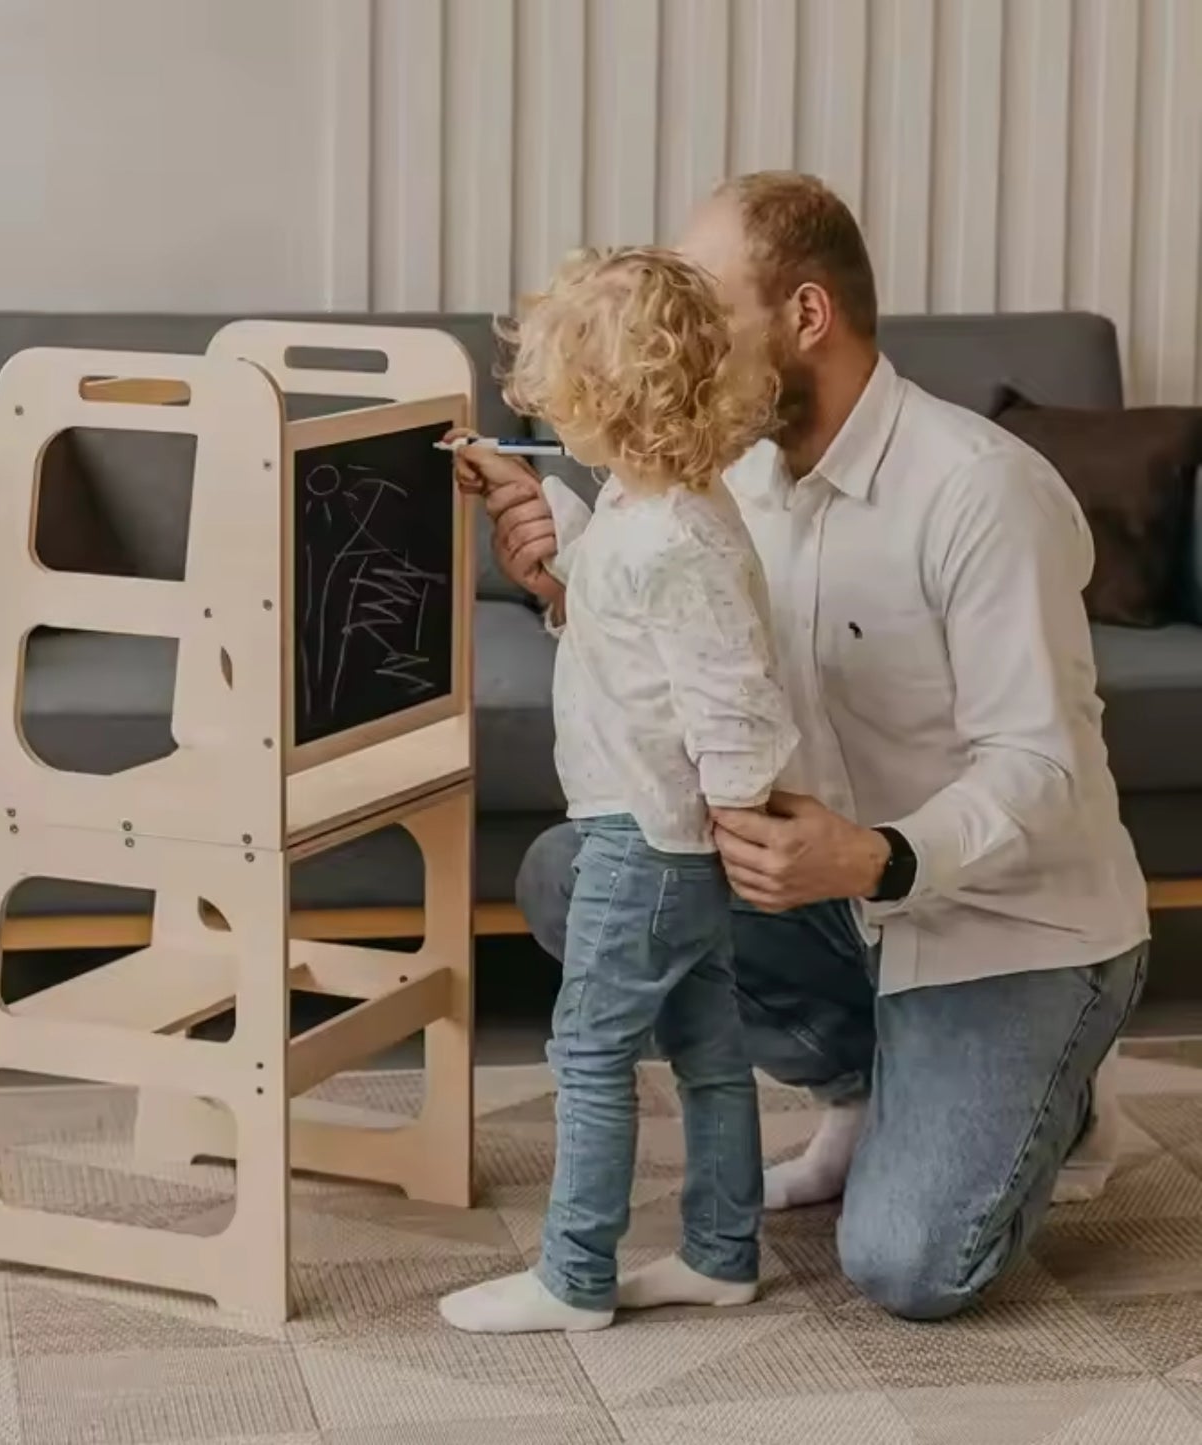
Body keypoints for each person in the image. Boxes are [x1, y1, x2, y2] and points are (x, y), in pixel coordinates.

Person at [469, 172, 1149, 1323]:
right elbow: (691, 657)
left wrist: (876, 857)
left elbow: (1040, 769)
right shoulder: (721, 476)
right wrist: (568, 579)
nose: (673, 334)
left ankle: (1059, 1094)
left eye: (702, 302)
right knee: (578, 877)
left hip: (1001, 919)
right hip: (829, 902)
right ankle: (869, 1079)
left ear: (804, 317)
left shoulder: (977, 490)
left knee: (907, 1265)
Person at [439, 247, 799, 1334]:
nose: (543, 419)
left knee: (589, 1049)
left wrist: (734, 810)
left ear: (605, 399)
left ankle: (573, 1272)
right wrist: (525, 489)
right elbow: (601, 601)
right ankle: (718, 1252)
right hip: (657, 833)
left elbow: (731, 689)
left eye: (556, 405)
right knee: (705, 1045)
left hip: (646, 839)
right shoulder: (658, 507)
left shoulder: (676, 540)